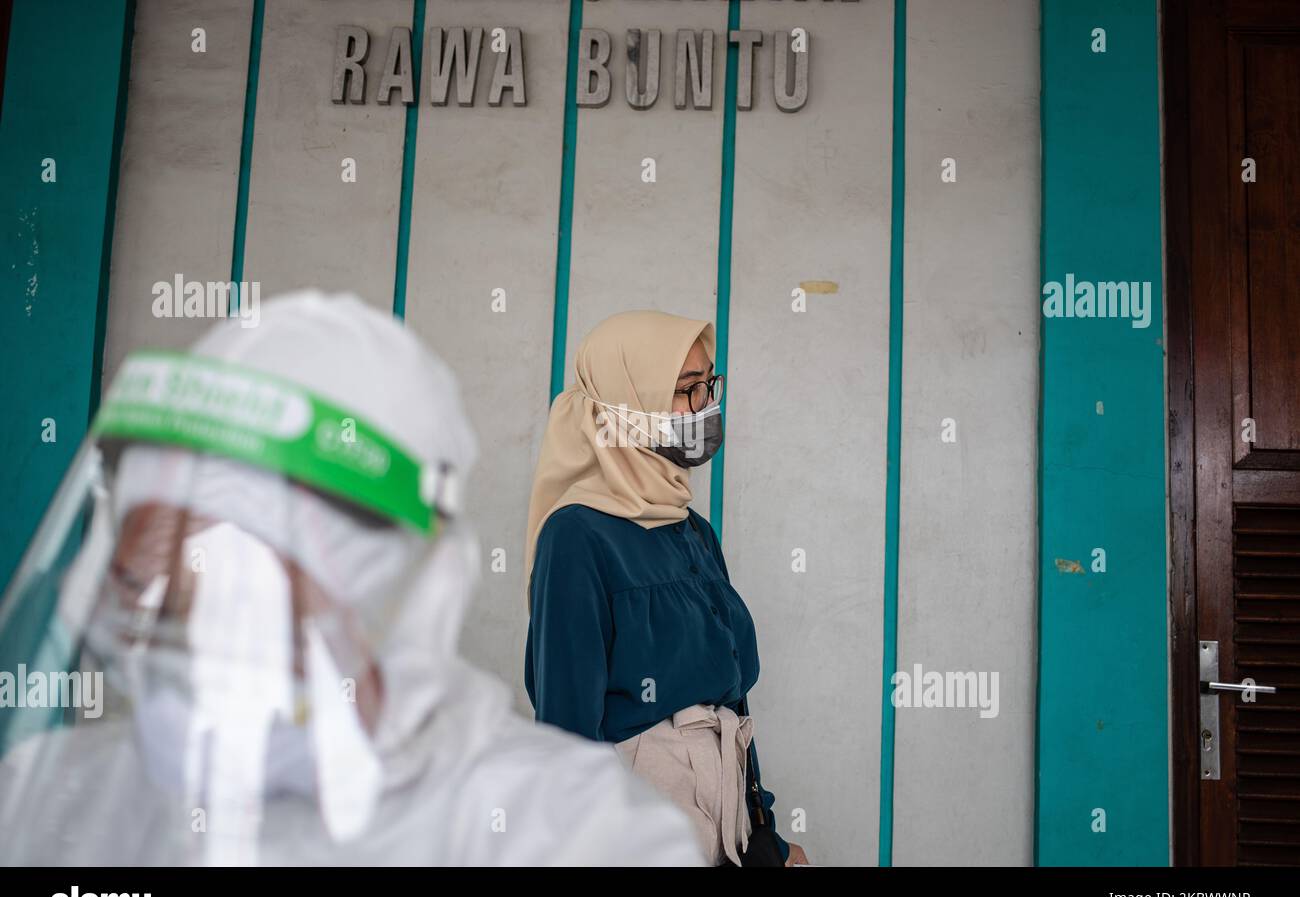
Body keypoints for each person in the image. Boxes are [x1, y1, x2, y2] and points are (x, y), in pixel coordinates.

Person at [0, 290, 705, 867]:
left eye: (251, 608)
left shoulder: (559, 832)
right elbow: (571, 704)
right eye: (147, 604)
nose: (196, 666)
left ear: (399, 604)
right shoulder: (50, 804)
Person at [524, 309, 809, 867]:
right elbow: (565, 732)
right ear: (624, 402)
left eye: (709, 385)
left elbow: (731, 697)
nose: (706, 405)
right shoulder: (576, 536)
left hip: (729, 831)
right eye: (685, 390)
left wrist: (765, 836)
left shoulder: (693, 530)